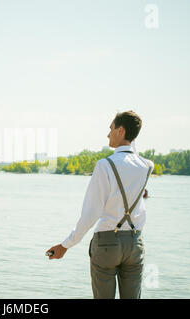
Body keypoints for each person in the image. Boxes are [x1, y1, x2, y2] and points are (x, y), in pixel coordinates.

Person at [45, 110, 154, 299]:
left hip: (106, 243)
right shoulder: (146, 166)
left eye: (111, 128)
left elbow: (91, 213)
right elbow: (132, 151)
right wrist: (132, 134)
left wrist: (66, 245)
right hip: (135, 243)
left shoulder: (105, 165)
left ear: (120, 130)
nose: (108, 134)